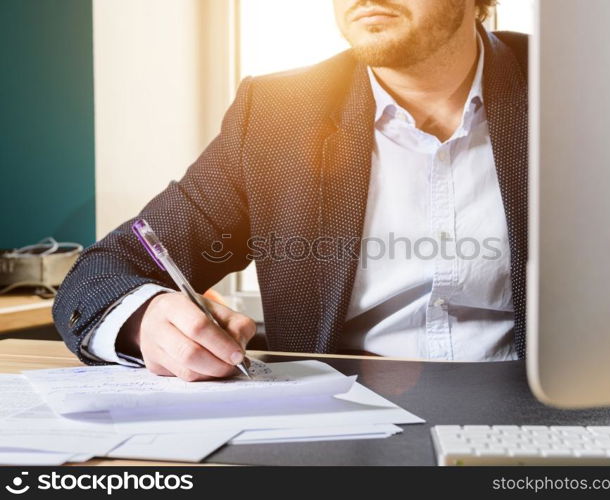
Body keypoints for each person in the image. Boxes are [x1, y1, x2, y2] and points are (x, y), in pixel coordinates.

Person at [54, 0, 528, 381]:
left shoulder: (582, 86)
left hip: (546, 410)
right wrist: (148, 317)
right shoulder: (277, 115)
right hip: (338, 418)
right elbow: (108, 267)